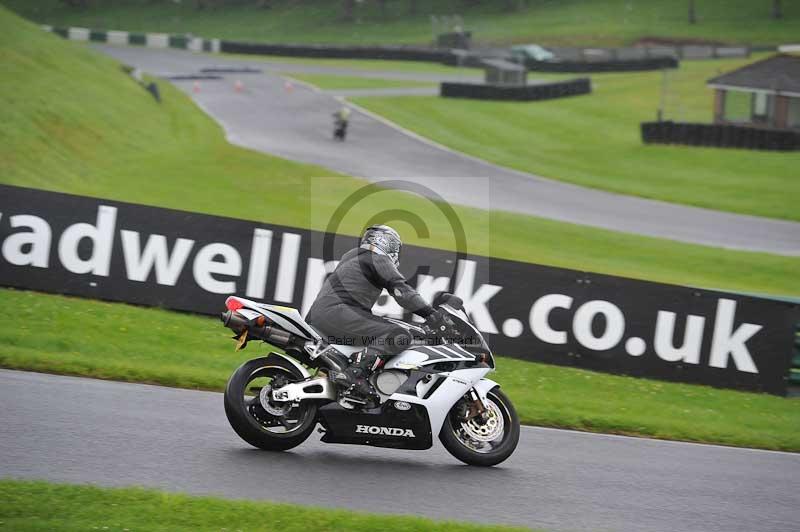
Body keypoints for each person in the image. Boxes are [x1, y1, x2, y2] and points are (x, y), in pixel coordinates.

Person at [306, 225, 454, 403]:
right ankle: (354, 375)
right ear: (389, 245)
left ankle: (330, 380)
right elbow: (402, 292)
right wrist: (432, 315)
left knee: (383, 331)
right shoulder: (376, 258)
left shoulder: (353, 256)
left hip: (324, 315)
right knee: (398, 335)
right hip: (338, 313)